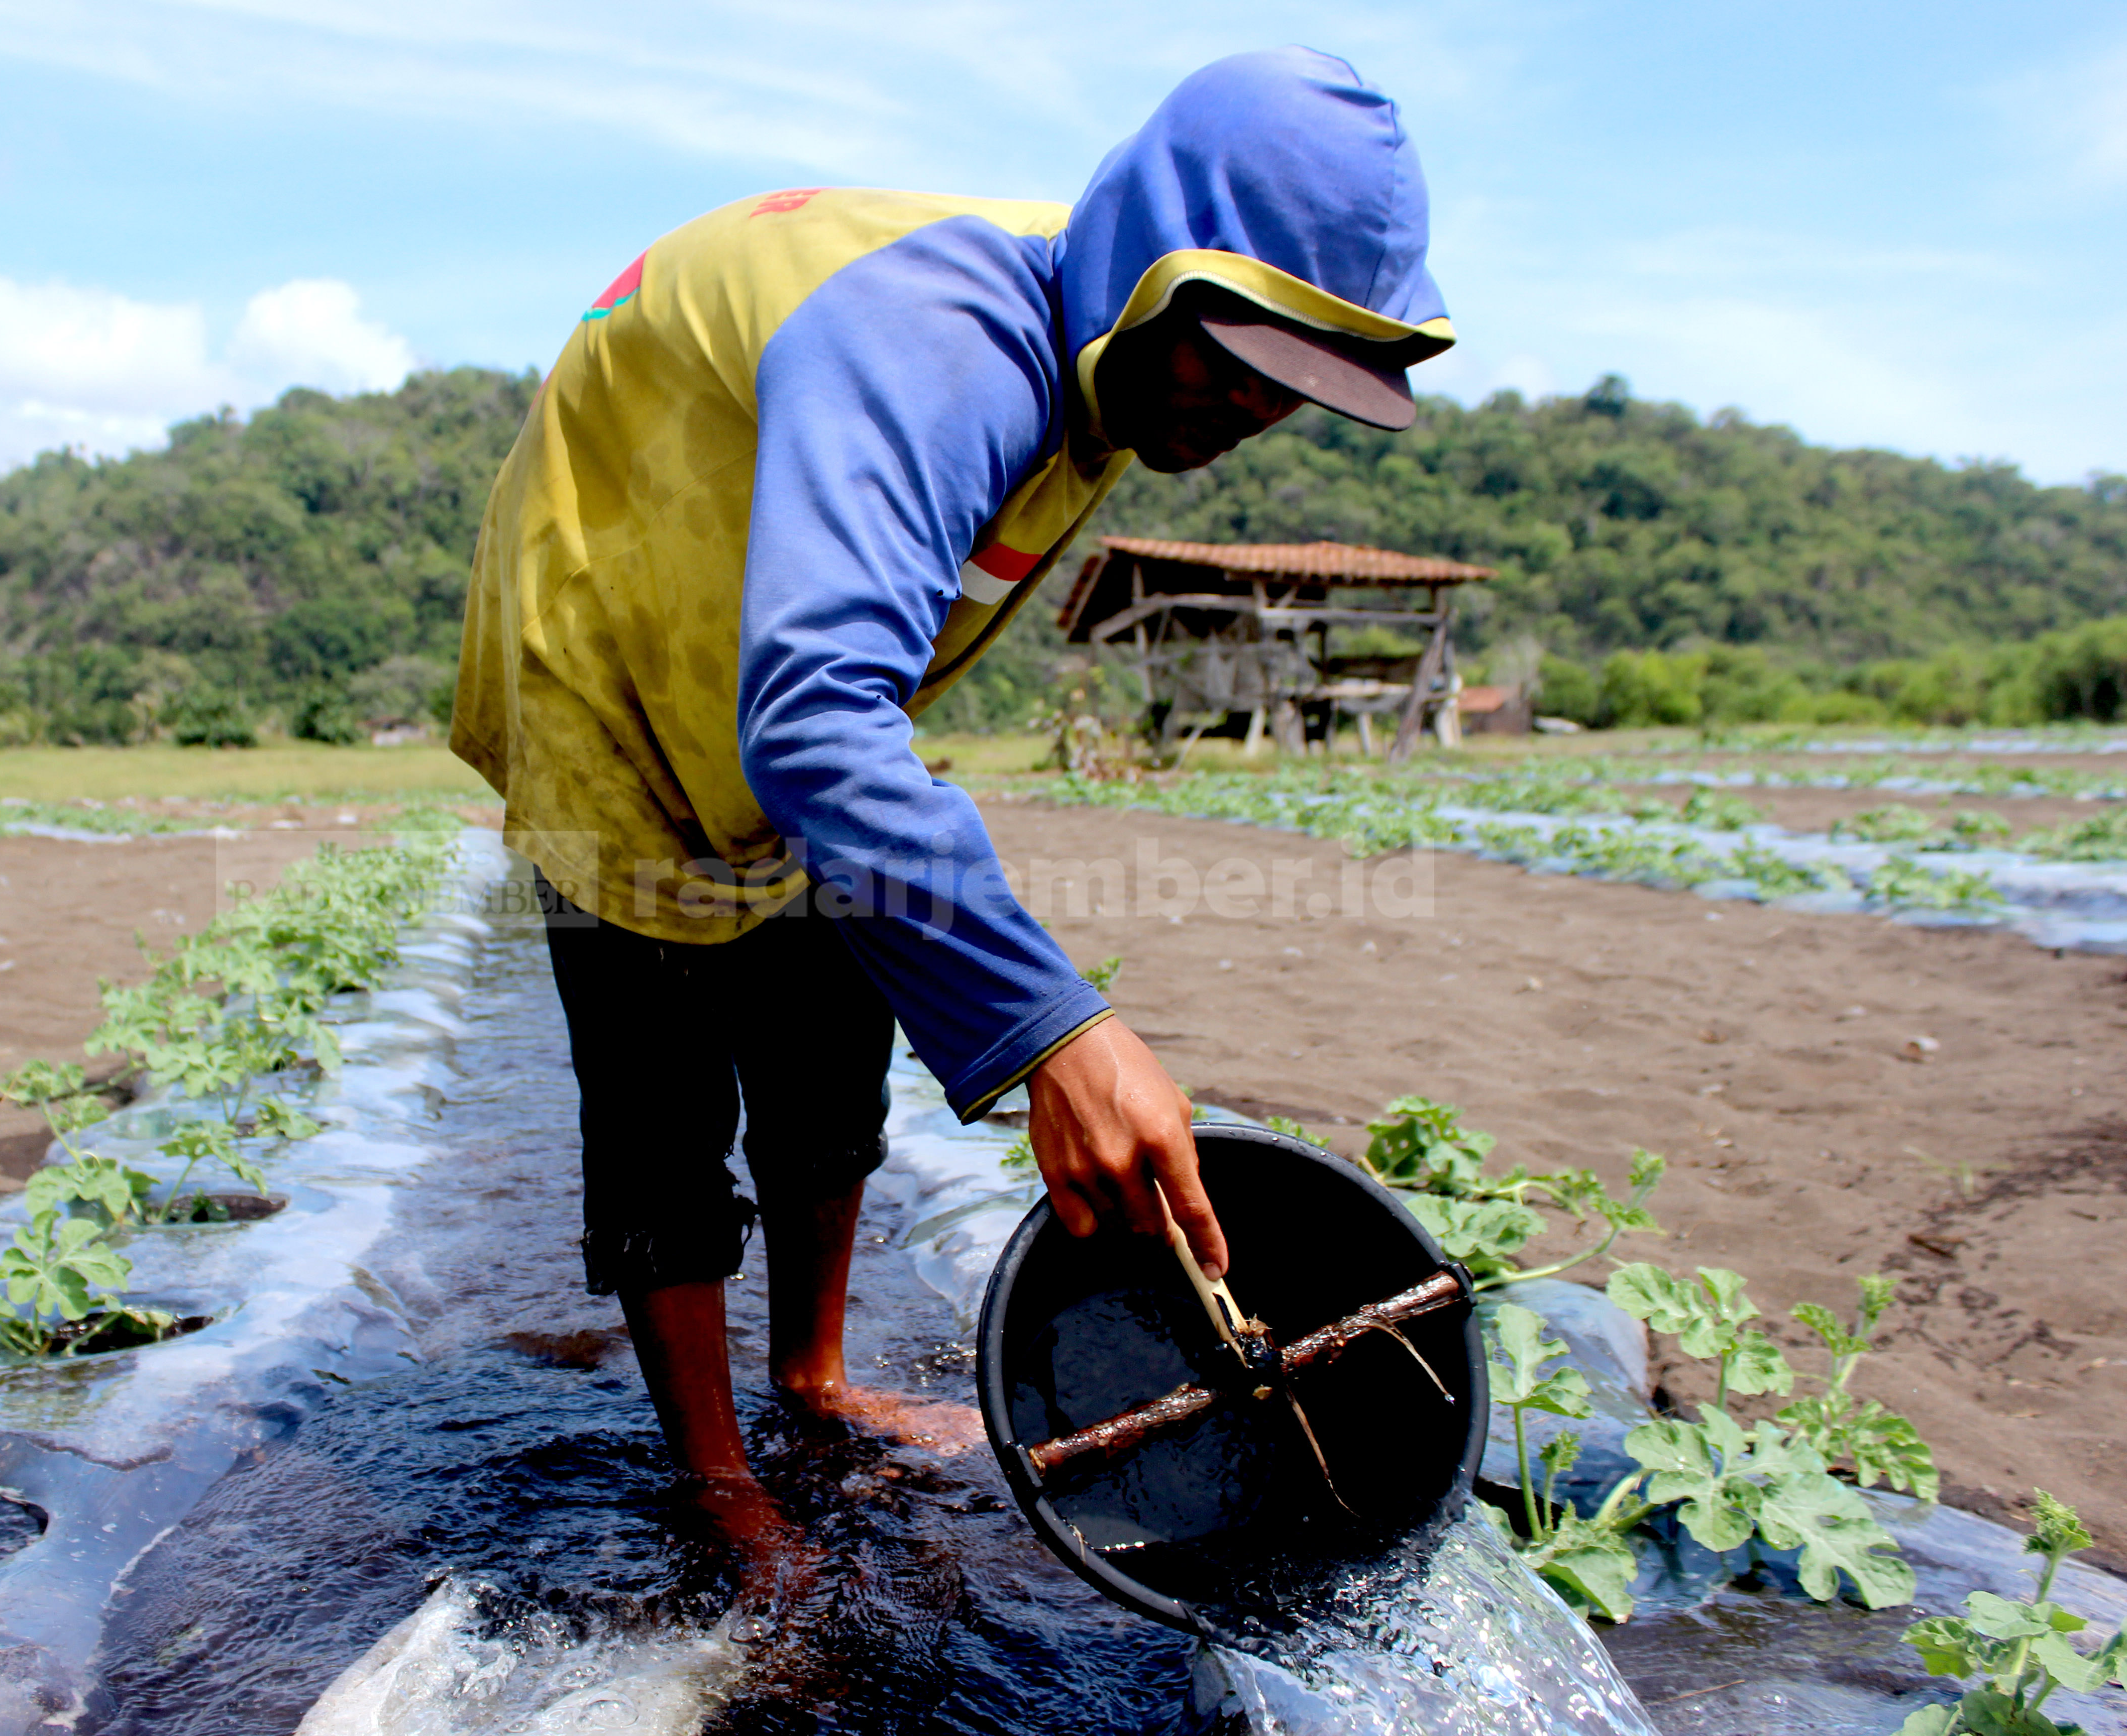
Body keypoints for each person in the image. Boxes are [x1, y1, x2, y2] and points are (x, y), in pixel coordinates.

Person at [451, 47, 1454, 1567]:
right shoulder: (945, 344)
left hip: (785, 665)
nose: (1252, 407)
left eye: (1294, 388)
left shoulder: (1106, 370)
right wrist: (1059, 1027)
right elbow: (814, 718)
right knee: (659, 1099)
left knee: (827, 1030)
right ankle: (722, 1484)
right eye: (1236, 358)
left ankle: (818, 1381)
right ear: (1152, 269)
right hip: (620, 646)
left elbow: (835, 700)